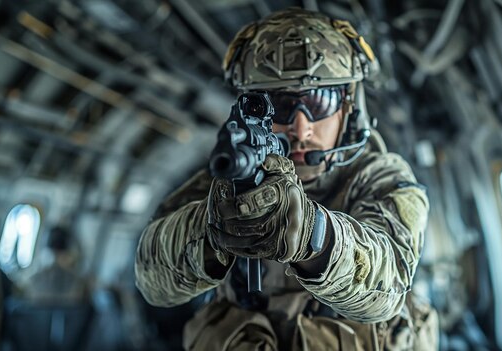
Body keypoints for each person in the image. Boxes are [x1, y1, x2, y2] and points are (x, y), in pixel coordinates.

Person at [135, 7, 436, 350]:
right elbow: (151, 279)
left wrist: (314, 236)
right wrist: (209, 232)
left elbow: (389, 287)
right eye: (279, 105)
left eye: (320, 102)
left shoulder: (380, 178)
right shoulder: (224, 182)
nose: (301, 128)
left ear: (349, 107)